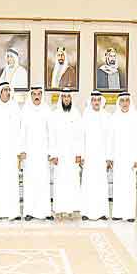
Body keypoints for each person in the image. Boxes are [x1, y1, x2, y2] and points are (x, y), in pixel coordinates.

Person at [0, 81, 22, 220]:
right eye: (5, 90)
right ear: (0, 92)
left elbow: (19, 130)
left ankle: (13, 212)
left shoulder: (15, 107)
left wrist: (19, 150)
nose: (8, 92)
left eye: (9, 90)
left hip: (11, 151)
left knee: (11, 181)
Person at [107, 92, 137, 221]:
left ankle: (129, 214)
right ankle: (117, 213)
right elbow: (110, 139)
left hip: (131, 158)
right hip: (118, 157)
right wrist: (110, 157)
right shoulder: (114, 118)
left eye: (127, 100)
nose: (125, 103)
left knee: (129, 186)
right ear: (119, 103)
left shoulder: (135, 118)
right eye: (122, 101)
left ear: (130, 102)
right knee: (118, 185)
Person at [19, 86, 52, 220]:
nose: (37, 96)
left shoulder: (47, 110)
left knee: (43, 181)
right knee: (30, 182)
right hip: (30, 153)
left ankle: (45, 212)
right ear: (31, 96)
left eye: (39, 94)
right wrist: (22, 150)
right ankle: (29, 212)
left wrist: (51, 151)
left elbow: (51, 132)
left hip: (43, 152)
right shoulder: (25, 110)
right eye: (34, 94)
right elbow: (21, 132)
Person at [49, 89, 82, 220]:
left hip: (72, 155)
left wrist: (79, 153)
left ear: (71, 99)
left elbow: (80, 136)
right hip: (60, 155)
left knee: (73, 181)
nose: (66, 99)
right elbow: (52, 136)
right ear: (61, 98)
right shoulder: (55, 115)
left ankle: (71, 209)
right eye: (64, 97)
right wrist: (53, 154)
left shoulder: (76, 114)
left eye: (68, 97)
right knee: (60, 182)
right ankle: (59, 210)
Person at [80, 91, 111, 221]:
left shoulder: (107, 116)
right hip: (89, 155)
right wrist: (81, 155)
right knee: (88, 183)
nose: (96, 102)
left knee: (101, 184)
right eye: (94, 100)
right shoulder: (85, 116)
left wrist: (109, 157)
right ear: (91, 102)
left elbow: (110, 139)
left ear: (101, 101)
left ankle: (102, 212)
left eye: (98, 100)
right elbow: (81, 137)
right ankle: (86, 212)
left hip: (102, 156)